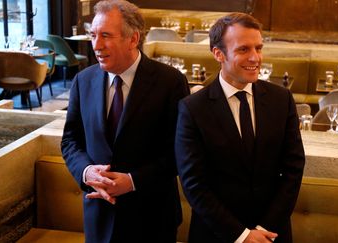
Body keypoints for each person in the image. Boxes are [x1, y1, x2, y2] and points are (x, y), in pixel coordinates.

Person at [61, 0, 189, 242]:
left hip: (152, 218)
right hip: (98, 216)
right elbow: (70, 142)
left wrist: (132, 181)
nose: (96, 45)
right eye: (93, 35)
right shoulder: (82, 81)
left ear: (133, 39)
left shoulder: (170, 82)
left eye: (106, 36)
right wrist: (87, 172)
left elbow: (180, 151)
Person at [175, 13, 305, 243]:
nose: (255, 58)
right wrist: (242, 235)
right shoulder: (193, 108)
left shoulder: (281, 99)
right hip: (217, 235)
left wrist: (265, 228)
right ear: (218, 54)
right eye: (244, 49)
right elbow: (194, 184)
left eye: (259, 48)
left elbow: (293, 169)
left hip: (272, 234)